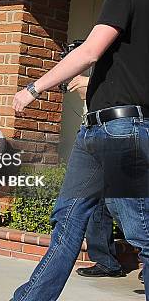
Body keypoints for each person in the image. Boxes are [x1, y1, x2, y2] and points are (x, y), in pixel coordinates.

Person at [0, 0, 149, 300]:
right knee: (66, 225)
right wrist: (90, 84)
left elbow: (89, 51)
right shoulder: (130, 5)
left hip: (120, 131)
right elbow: (124, 70)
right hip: (97, 133)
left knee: (141, 232)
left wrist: (33, 89)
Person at [69, 75, 125, 278]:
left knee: (127, 204)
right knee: (95, 203)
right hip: (94, 134)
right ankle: (105, 261)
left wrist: (90, 81)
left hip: (126, 133)